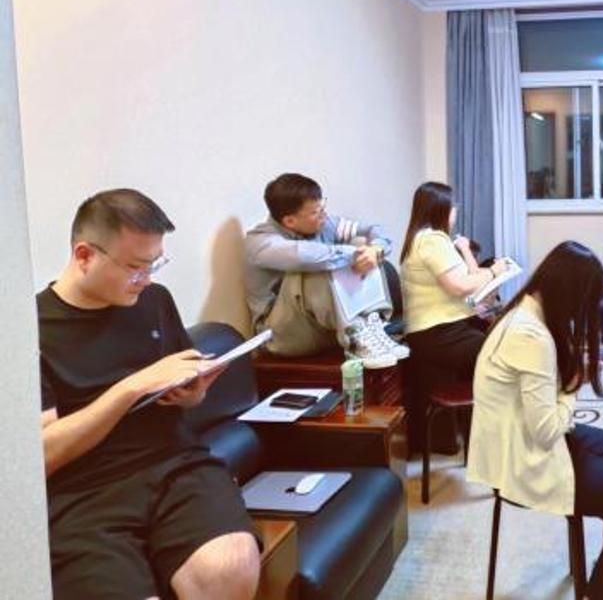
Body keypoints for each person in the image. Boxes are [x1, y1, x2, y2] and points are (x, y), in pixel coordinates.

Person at [40, 189, 260, 600]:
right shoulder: (31, 330)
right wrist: (131, 387)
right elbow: (44, 453)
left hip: (175, 464)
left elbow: (183, 394)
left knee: (231, 568)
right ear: (84, 255)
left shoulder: (153, 300)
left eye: (154, 264)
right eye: (135, 268)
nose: (147, 279)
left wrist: (191, 393)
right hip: (85, 493)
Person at [468, 241, 603, 600]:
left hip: (527, 436)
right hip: (524, 459)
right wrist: (574, 384)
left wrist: (571, 375)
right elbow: (546, 432)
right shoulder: (530, 335)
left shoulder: (527, 312)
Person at [245, 173, 406, 363]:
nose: (323, 216)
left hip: (324, 326)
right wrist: (357, 253)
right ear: (289, 221)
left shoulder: (322, 223)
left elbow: (373, 229)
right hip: (281, 336)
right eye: (315, 213)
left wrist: (376, 249)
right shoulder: (261, 242)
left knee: (367, 256)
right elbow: (306, 256)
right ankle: (356, 336)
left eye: (322, 207)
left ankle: (370, 328)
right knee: (321, 262)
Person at [399, 181, 511, 451]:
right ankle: (495, 434)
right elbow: (460, 286)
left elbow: (465, 281)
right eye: (452, 206)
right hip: (439, 334)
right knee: (504, 351)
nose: (455, 211)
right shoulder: (432, 240)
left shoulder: (422, 239)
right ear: (439, 209)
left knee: (496, 345)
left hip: (436, 331)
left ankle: (481, 431)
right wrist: (494, 272)